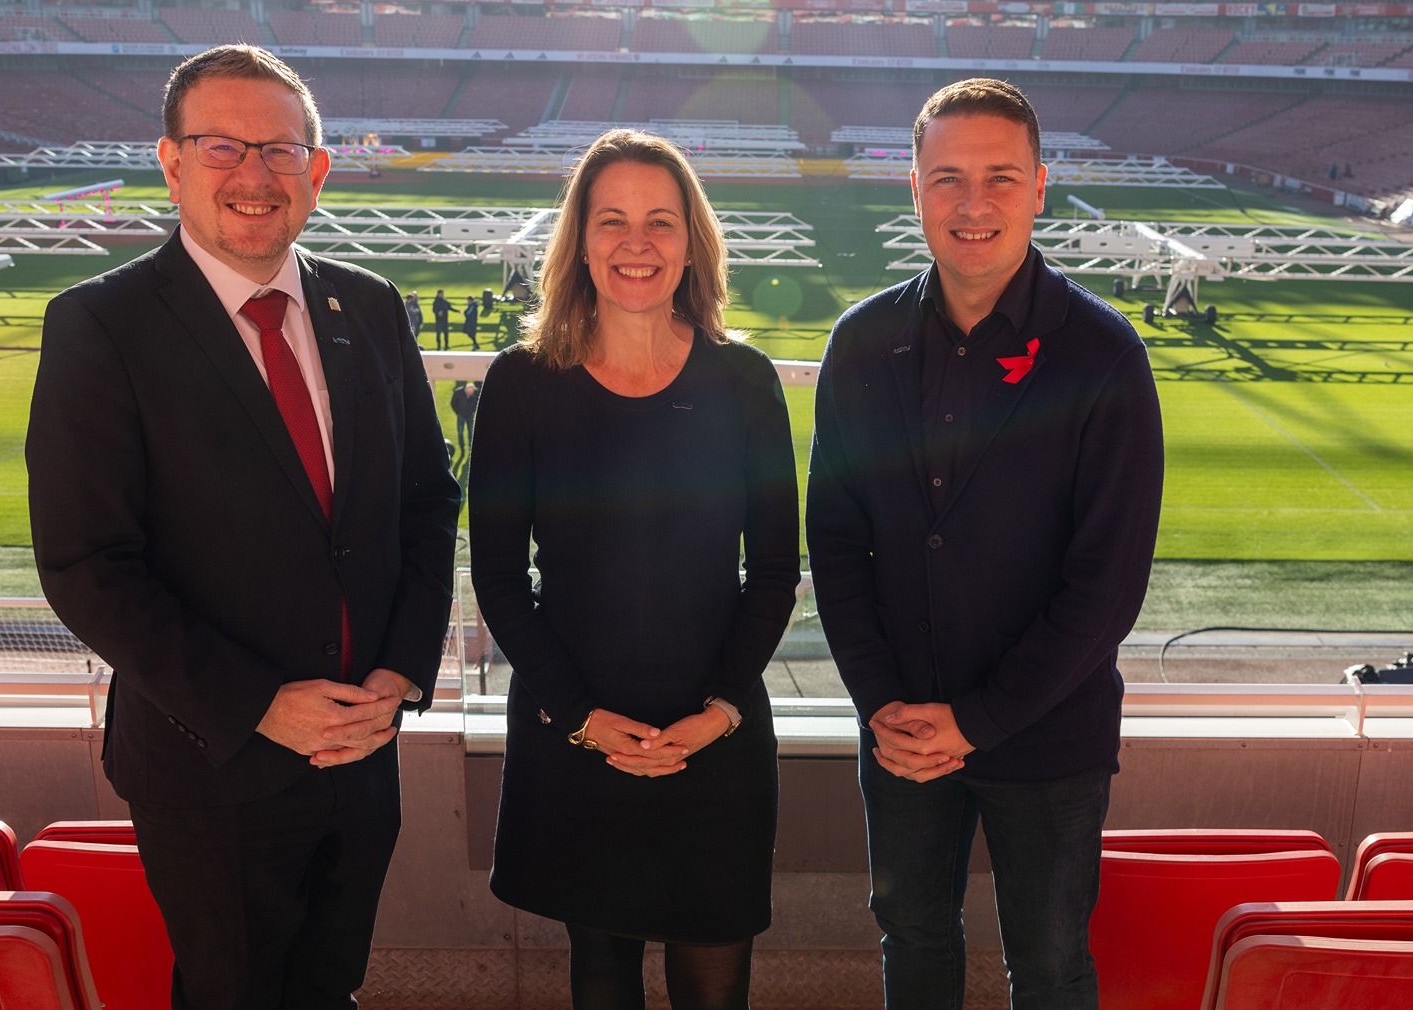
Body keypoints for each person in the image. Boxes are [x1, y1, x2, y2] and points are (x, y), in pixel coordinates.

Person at [25, 44, 460, 1010]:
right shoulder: (102, 325)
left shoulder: (373, 307)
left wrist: (399, 673)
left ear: (320, 169)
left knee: (329, 988)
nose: (255, 175)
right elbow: (87, 564)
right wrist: (261, 701)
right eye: (222, 147)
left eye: (280, 149)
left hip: (361, 750)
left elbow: (428, 505)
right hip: (211, 765)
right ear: (171, 163)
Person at [806, 79, 1164, 1010]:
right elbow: (837, 545)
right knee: (913, 940)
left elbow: (1108, 587)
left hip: (1048, 737)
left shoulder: (1103, 355)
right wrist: (882, 700)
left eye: (1001, 176)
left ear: (1041, 187)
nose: (974, 204)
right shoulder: (860, 343)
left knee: (1047, 968)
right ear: (913, 188)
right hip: (901, 730)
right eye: (948, 177)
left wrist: (978, 720)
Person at [469, 128, 800, 1010]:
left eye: (660, 220)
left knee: (712, 989)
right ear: (579, 239)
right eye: (611, 220)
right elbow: (499, 579)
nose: (637, 243)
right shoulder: (521, 383)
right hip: (574, 727)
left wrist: (721, 711)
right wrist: (580, 717)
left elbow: (773, 570)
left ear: (692, 239)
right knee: (602, 977)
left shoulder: (745, 382)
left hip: (716, 732)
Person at [449, 380, 478, 477]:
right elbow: (453, 403)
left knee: (471, 432)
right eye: (469, 391)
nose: (471, 393)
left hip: (470, 417)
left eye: (472, 391)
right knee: (460, 433)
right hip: (461, 416)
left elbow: (476, 405)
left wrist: (472, 412)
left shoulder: (474, 395)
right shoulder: (459, 392)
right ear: (466, 390)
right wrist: (458, 412)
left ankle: (471, 448)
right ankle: (462, 448)